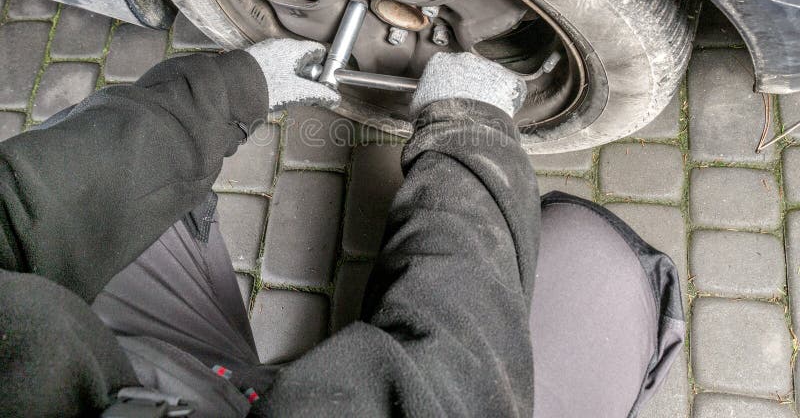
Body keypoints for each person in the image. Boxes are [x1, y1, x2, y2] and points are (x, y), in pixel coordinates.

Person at [0, 37, 684, 417]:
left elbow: (15, 210)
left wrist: (233, 90)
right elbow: (449, 390)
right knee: (596, 269)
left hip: (125, 364)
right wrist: (469, 134)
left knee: (113, 183)